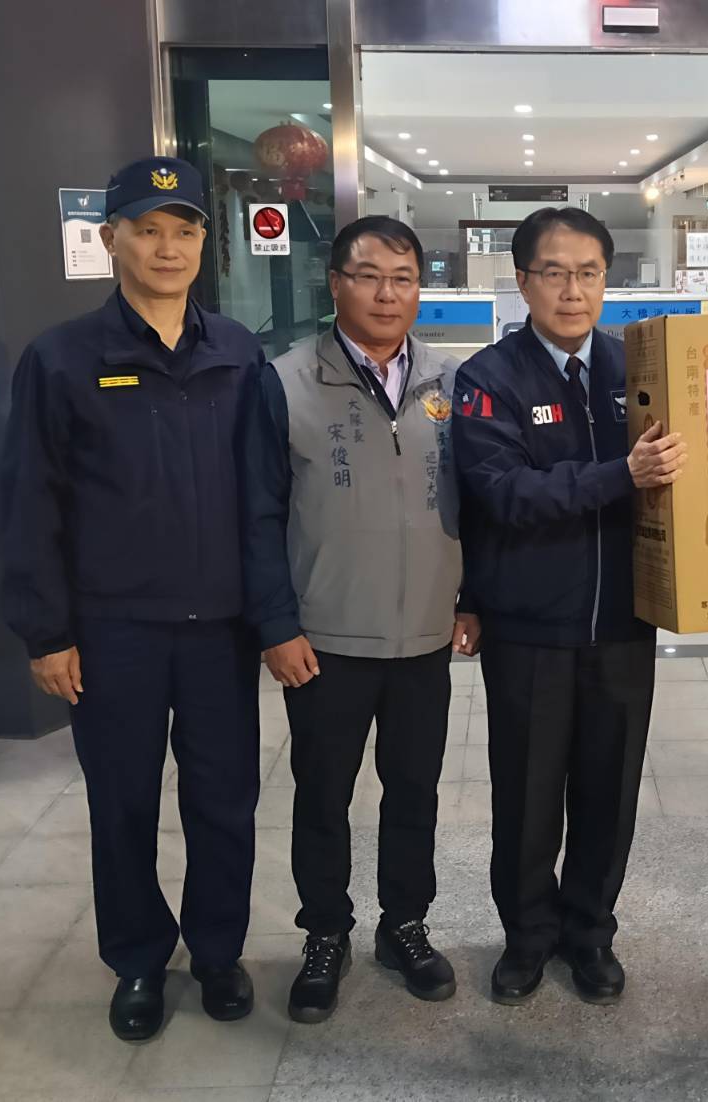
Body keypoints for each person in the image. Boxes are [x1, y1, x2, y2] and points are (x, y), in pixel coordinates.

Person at [1, 157, 263, 1042]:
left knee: (224, 801)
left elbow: (265, 496)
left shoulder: (238, 352)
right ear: (111, 238)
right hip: (113, 631)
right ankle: (139, 959)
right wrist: (45, 632)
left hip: (220, 628)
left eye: (184, 230)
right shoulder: (62, 357)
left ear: (204, 244)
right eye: (147, 230)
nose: (167, 248)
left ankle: (218, 951)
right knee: (122, 803)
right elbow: (30, 501)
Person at [240, 215, 478, 1023]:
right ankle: (325, 933)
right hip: (324, 639)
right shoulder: (284, 382)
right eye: (368, 276)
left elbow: (476, 503)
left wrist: (470, 599)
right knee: (322, 795)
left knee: (414, 792)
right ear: (335, 283)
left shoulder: (451, 381)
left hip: (424, 636)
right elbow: (256, 516)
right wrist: (276, 625)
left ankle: (404, 924)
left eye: (403, 278)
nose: (386, 293)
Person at [451, 206, 685, 1006]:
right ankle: (526, 936)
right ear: (522, 282)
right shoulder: (489, 378)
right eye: (553, 273)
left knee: (607, 792)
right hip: (530, 628)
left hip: (623, 622)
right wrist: (622, 474)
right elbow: (503, 492)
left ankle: (590, 932)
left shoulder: (638, 369)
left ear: (605, 281)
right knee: (525, 796)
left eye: (588, 273)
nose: (572, 290)